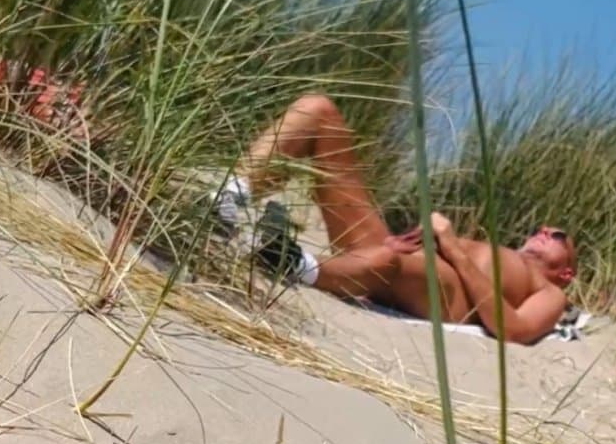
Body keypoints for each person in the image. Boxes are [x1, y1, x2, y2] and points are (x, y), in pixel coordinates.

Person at [223, 92, 576, 345]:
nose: (545, 231)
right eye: (543, 229)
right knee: (319, 110)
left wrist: (453, 250)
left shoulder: (550, 294)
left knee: (386, 259)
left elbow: (514, 330)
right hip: (385, 257)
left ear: (566, 273)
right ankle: (226, 201)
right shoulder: (496, 251)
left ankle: (291, 262)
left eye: (557, 236)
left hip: (406, 276)